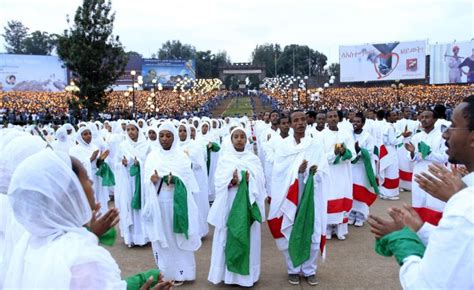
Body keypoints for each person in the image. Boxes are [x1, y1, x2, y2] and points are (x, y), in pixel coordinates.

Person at [4, 149, 173, 290]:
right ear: (69, 193)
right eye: (85, 178)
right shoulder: (84, 257)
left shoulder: (30, 242)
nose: (91, 182)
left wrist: (89, 233)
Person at [368, 96, 474, 289]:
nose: (445, 135)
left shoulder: (465, 208)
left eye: (453, 126)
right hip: (421, 174)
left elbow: (426, 284)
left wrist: (404, 241)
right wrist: (421, 229)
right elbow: (459, 245)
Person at [267, 111, 329, 286]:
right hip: (290, 196)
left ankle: (309, 269)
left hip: (311, 194)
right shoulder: (284, 146)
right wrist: (297, 172)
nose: (300, 123)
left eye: (303, 120)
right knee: (291, 230)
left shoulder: (315, 144)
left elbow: (323, 170)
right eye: (296, 120)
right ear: (290, 124)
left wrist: (312, 173)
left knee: (312, 230)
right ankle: (293, 269)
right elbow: (278, 172)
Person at [143, 122, 201, 286]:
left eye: (168, 135)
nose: (164, 139)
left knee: (178, 238)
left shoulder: (182, 157)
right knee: (163, 239)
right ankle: (165, 273)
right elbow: (147, 177)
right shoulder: (152, 156)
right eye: (162, 135)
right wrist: (152, 180)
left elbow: (188, 182)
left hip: (177, 204)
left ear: (174, 137)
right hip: (159, 203)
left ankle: (184, 273)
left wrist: (175, 180)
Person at [207, 127, 266, 287]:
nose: (239, 139)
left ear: (247, 140)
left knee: (249, 236)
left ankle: (247, 276)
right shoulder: (225, 159)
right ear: (231, 139)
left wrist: (249, 180)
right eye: (236, 137)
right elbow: (218, 181)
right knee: (227, 235)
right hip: (229, 202)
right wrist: (231, 181)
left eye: (242, 137)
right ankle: (228, 275)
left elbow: (261, 182)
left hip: (247, 204)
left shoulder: (253, 159)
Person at [405, 110, 447, 225]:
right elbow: (410, 157)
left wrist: (427, 153)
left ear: (435, 119)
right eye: (422, 117)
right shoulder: (417, 136)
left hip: (435, 174)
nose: (423, 119)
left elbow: (444, 157)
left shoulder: (442, 137)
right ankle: (420, 229)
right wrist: (413, 153)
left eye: (427, 117)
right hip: (419, 173)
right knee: (419, 202)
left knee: (435, 203)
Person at [321, 111, 355, 240]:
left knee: (342, 195)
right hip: (329, 172)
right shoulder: (321, 136)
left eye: (335, 116)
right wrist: (334, 154)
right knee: (329, 197)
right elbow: (320, 156)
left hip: (343, 171)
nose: (333, 119)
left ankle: (340, 229)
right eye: (330, 117)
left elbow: (353, 153)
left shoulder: (345, 134)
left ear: (338, 118)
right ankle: (328, 228)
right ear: (326, 119)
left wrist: (345, 152)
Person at [115, 122, 150, 247]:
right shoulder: (123, 145)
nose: (130, 132)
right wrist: (122, 164)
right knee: (129, 205)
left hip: (141, 181)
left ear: (138, 130)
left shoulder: (146, 145)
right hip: (128, 181)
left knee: (142, 205)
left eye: (133, 129)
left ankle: (144, 237)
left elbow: (150, 162)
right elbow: (116, 163)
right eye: (128, 129)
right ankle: (132, 237)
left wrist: (140, 162)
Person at [178, 123, 209, 238]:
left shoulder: (195, 146)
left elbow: (199, 164)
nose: (182, 133)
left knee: (195, 204)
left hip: (195, 179)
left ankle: (198, 231)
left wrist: (188, 161)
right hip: (181, 181)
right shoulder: (175, 146)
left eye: (184, 131)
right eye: (180, 131)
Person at [350, 113, 378, 227]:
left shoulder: (368, 137)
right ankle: (351, 214)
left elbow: (370, 152)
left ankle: (361, 215)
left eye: (358, 122)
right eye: (354, 121)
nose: (355, 124)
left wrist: (359, 150)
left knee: (361, 191)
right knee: (352, 191)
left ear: (363, 123)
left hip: (362, 167)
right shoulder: (349, 135)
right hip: (352, 167)